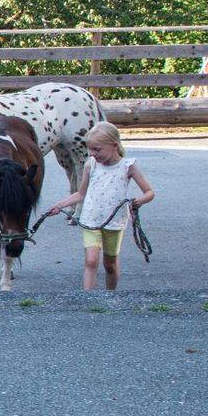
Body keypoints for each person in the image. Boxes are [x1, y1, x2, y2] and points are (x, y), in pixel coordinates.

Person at [46, 121, 155, 291]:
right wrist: (60, 205)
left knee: (110, 263)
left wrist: (138, 201)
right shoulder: (91, 165)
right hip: (90, 220)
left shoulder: (128, 166)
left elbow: (149, 192)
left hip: (114, 222)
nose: (92, 153)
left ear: (114, 145)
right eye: (90, 149)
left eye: (97, 149)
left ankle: (110, 295)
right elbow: (81, 194)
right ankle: (88, 298)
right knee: (91, 261)